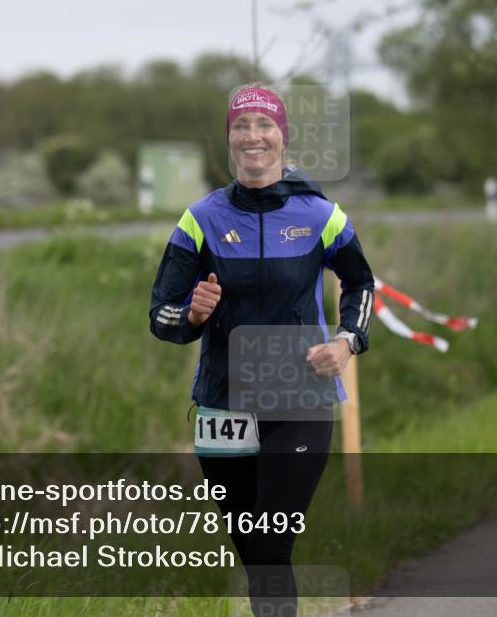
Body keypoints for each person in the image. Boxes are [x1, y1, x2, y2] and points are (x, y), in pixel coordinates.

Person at [148, 85, 374, 616]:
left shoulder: (322, 215)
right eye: (241, 126)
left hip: (300, 397)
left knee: (271, 545)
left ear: (282, 137)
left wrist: (346, 342)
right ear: (229, 140)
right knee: (253, 553)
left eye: (264, 124)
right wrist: (193, 315)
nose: (253, 135)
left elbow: (361, 285)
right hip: (223, 403)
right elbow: (161, 313)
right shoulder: (200, 219)